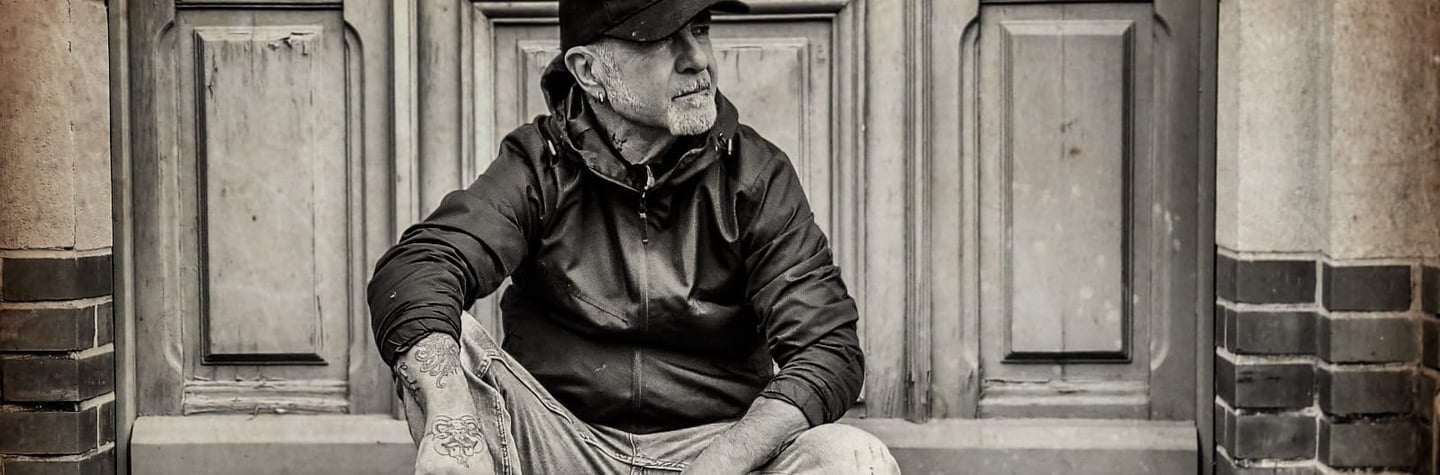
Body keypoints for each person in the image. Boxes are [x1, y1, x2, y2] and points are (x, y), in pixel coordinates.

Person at [367, 0, 899, 473]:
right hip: (559, 443)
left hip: (717, 447)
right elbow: (419, 267)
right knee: (441, 343)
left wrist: (720, 463)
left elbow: (827, 348)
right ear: (589, 70)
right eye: (662, 38)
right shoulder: (539, 164)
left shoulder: (755, 174)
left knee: (853, 459)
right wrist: (452, 421)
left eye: (701, 28)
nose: (698, 59)